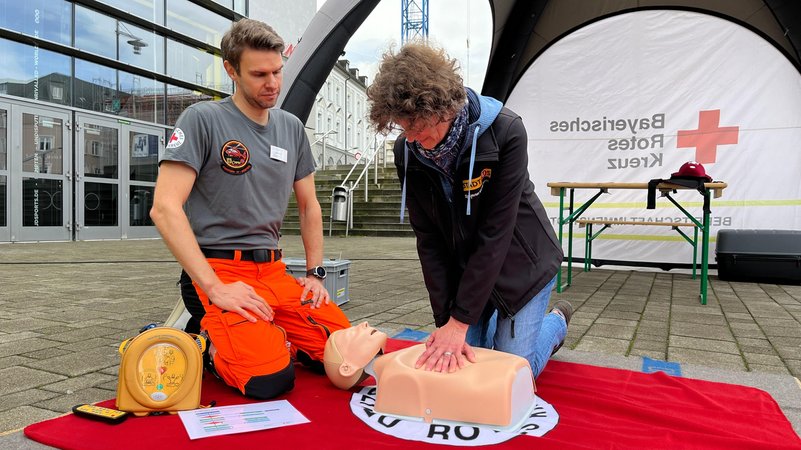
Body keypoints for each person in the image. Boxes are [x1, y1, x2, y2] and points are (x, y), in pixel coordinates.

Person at [150, 18, 350, 400]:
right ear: (231, 70)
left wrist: (315, 274)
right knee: (270, 381)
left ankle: (269, 333)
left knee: (345, 353)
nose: (272, 83)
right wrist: (215, 287)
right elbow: (164, 208)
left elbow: (310, 207)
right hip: (221, 271)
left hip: (274, 272)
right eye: (259, 74)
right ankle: (204, 343)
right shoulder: (202, 119)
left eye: (277, 71)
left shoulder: (291, 128)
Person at [366, 42, 572, 378]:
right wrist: (446, 321)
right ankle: (492, 326)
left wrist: (460, 323)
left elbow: (495, 234)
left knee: (511, 373)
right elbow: (428, 241)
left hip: (522, 267)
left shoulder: (506, 131)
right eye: (405, 128)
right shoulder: (408, 151)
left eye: (418, 126)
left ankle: (555, 323)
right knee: (460, 368)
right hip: (469, 274)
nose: (413, 138)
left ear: (443, 105)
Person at [324, 322, 536, 427]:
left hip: (516, 268)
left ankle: (509, 320)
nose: (363, 324)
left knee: (500, 347)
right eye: (351, 333)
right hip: (505, 382)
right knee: (511, 352)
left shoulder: (398, 363)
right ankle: (548, 322)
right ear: (347, 367)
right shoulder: (394, 375)